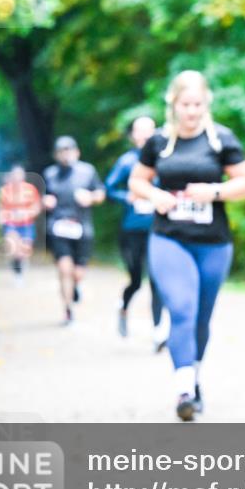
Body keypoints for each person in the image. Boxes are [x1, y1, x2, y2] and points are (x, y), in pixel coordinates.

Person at [129, 70, 245, 422]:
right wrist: (156, 194)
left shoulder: (220, 140)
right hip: (169, 237)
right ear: (174, 104)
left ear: (206, 104)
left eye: (198, 104)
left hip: (213, 242)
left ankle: (193, 376)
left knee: (201, 315)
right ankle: (183, 387)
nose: (192, 111)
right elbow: (137, 181)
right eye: (186, 104)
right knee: (181, 308)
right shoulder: (159, 142)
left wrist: (214, 192)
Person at [106, 116, 167, 346]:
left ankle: (158, 330)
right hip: (132, 229)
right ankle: (123, 307)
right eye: (140, 131)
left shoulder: (164, 158)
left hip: (159, 227)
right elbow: (109, 189)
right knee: (136, 280)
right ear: (132, 135)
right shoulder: (126, 162)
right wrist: (128, 198)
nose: (145, 135)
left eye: (149, 130)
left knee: (156, 278)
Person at [43, 136, 106, 325]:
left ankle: (75, 286)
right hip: (58, 227)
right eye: (61, 151)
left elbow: (101, 193)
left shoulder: (87, 171)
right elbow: (42, 197)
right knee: (64, 269)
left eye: (69, 150)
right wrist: (46, 202)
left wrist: (91, 198)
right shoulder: (50, 174)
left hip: (82, 227)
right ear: (56, 154)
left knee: (77, 273)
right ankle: (68, 309)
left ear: (76, 152)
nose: (65, 154)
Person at [0, 164, 41, 281]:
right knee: (13, 249)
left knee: (23, 251)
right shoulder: (5, 190)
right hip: (11, 224)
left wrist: (27, 213)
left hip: (26, 224)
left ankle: (20, 270)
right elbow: (1, 208)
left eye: (19, 174)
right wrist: (5, 216)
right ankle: (16, 269)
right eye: (15, 174)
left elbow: (36, 207)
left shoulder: (30, 189)